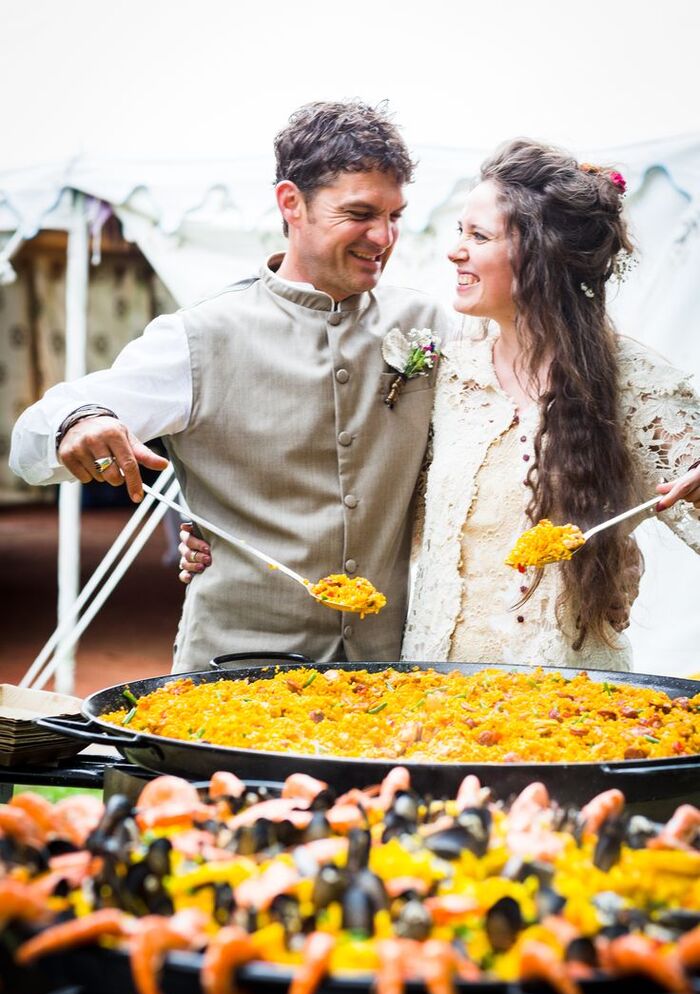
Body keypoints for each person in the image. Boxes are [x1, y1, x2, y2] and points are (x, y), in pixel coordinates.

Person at [9, 101, 447, 672]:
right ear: (291, 203)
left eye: (395, 215)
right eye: (360, 213)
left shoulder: (428, 325)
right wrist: (80, 423)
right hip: (235, 671)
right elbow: (30, 443)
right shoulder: (200, 335)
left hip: (391, 673)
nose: (383, 236)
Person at [400, 139, 700, 670]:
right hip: (433, 704)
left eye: (479, 235)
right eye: (459, 232)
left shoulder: (637, 385)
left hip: (569, 711)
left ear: (541, 254)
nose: (455, 250)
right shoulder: (447, 374)